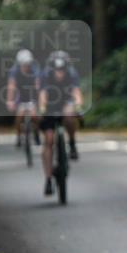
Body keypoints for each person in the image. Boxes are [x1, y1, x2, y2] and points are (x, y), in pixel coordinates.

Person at [38, 53, 83, 196]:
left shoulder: (72, 74)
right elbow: (43, 94)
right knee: (49, 140)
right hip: (50, 106)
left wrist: (78, 106)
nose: (59, 73)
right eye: (57, 70)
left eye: (62, 69)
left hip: (65, 104)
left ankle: (72, 143)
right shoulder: (45, 75)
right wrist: (43, 108)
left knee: (70, 115)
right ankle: (48, 179)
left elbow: (76, 92)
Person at [6, 49, 41, 147]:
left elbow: (38, 85)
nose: (26, 66)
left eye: (28, 63)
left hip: (32, 95)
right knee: (19, 116)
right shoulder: (14, 71)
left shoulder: (35, 70)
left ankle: (36, 133)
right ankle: (18, 136)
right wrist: (10, 101)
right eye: (24, 64)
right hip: (20, 96)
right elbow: (11, 86)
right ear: (19, 63)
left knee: (34, 115)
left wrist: (40, 101)